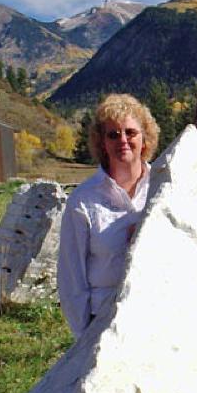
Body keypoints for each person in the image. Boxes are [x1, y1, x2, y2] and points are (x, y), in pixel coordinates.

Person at [57, 94, 159, 340]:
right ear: (102, 143)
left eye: (131, 132)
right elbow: (71, 278)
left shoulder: (164, 187)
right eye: (113, 134)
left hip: (158, 313)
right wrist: (86, 336)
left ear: (145, 138)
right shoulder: (82, 201)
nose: (122, 140)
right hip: (104, 321)